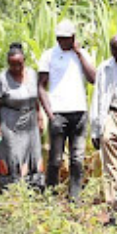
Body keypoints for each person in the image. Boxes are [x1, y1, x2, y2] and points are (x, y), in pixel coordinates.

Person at [37, 20, 96, 201]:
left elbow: (93, 78)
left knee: (77, 160)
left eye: (67, 38)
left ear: (73, 38)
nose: (63, 42)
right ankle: (50, 196)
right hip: (58, 113)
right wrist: (50, 114)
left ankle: (74, 198)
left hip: (79, 113)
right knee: (55, 160)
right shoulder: (49, 55)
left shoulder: (82, 55)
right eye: (60, 38)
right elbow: (40, 86)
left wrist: (78, 53)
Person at [89, 32, 117, 219]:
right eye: (112, 48)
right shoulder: (105, 68)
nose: (114, 52)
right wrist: (96, 130)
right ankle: (114, 211)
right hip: (111, 116)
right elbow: (98, 98)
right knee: (111, 168)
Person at [0, 43, 43, 190]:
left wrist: (39, 117)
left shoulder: (33, 74)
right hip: (10, 123)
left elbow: (36, 97)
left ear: (24, 60)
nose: (16, 68)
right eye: (12, 65)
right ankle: (13, 190)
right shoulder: (2, 79)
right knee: (13, 155)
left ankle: (34, 189)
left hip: (31, 121)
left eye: (19, 64)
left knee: (33, 153)